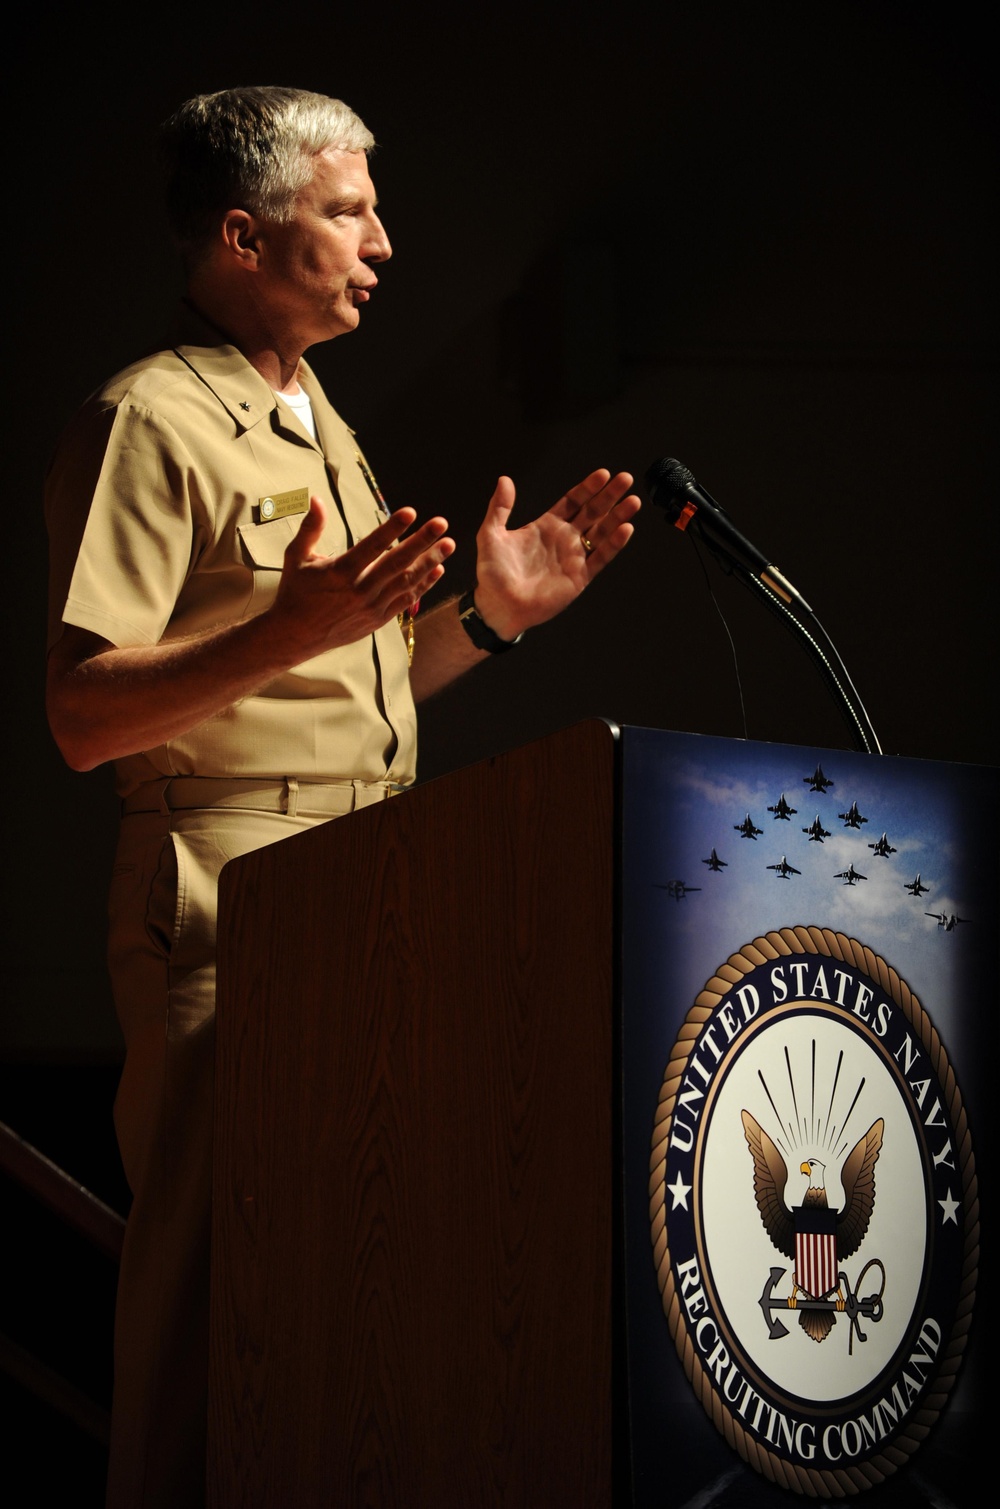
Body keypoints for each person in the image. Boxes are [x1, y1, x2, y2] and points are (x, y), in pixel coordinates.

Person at [44, 86, 640, 1508]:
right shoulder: (151, 416)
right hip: (230, 897)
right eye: (347, 210)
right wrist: (287, 629)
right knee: (205, 1311)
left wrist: (491, 621)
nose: (380, 240)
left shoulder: (320, 423)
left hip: (366, 881)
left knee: (340, 1309)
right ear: (245, 236)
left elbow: (344, 692)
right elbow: (81, 714)